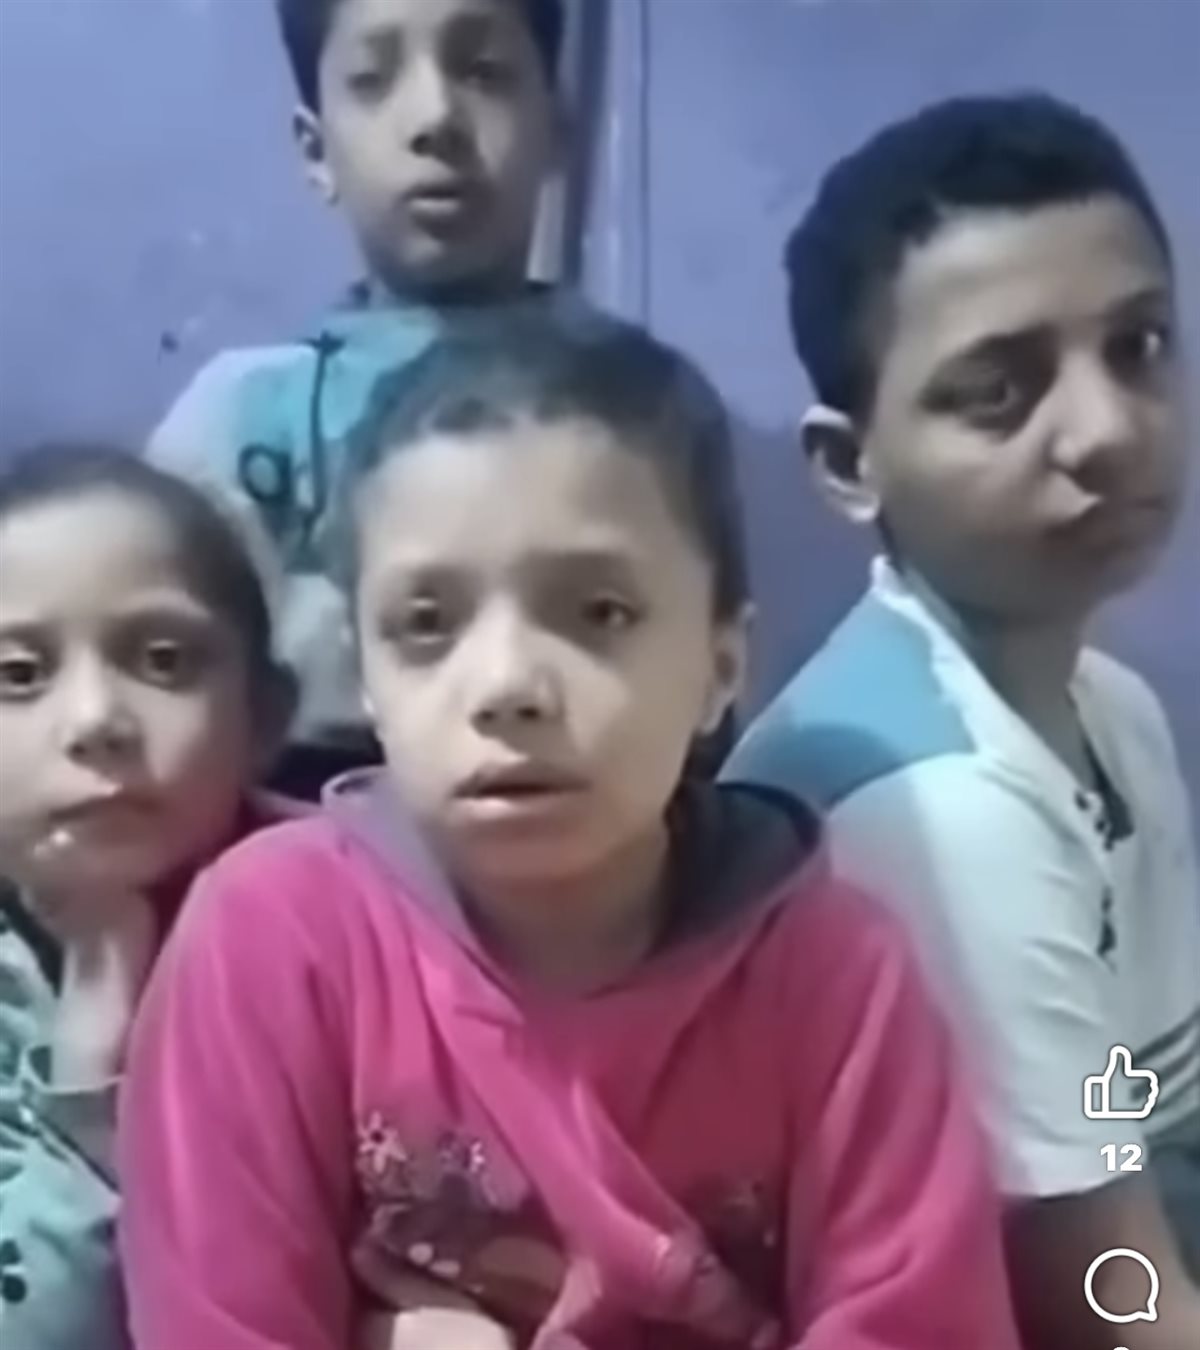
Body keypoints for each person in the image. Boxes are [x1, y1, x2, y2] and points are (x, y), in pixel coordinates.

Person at [119, 311, 1022, 1350]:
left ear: (721, 666)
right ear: (366, 676)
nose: (507, 684)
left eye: (598, 613)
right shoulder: (272, 944)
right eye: (426, 624)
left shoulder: (835, 976)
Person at [724, 94, 1200, 1348]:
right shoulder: (936, 809)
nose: (1107, 430)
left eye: (1141, 345)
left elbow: (1134, 1107)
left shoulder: (1109, 708)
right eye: (999, 391)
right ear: (850, 465)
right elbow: (1106, 1300)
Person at [147, 0, 571, 798]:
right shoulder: (240, 419)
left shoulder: (638, 415)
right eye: (375, 80)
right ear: (317, 151)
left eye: (484, 72)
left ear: (557, 129)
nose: (436, 118)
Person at [0, 446, 298, 1350]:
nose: (95, 719)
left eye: (163, 660)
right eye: (18, 675)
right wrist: (93, 1054)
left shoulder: (358, 921)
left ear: (266, 716)